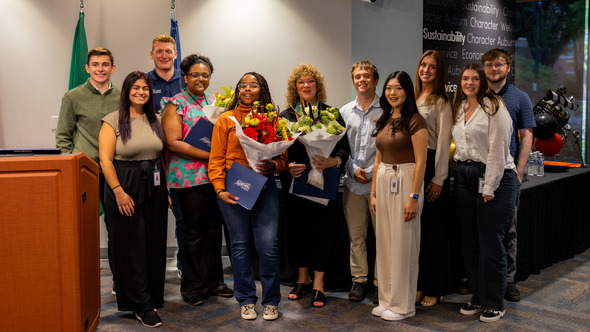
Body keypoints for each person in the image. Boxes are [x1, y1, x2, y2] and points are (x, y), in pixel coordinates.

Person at [209, 72, 286, 321]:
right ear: (238, 90)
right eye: (243, 85)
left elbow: (282, 157)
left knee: (268, 246)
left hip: (264, 187)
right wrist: (220, 189)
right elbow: (216, 159)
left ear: (262, 89)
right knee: (240, 246)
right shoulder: (225, 118)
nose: (248, 89)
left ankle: (272, 301)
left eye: (253, 85)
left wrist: (274, 167)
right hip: (234, 188)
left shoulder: (273, 118)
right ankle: (246, 300)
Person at [161, 54, 233, 306]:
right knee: (193, 233)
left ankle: (215, 282)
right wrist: (213, 154)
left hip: (215, 177)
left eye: (205, 74)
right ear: (185, 76)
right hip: (188, 179)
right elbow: (173, 143)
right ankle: (193, 286)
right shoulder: (175, 103)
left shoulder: (216, 103)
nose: (200, 78)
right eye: (195, 74)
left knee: (214, 231)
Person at [98, 71, 168, 328]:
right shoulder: (112, 121)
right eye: (136, 87)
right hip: (124, 183)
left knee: (154, 242)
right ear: (127, 91)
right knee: (131, 246)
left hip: (155, 183)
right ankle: (139, 304)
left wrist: (166, 189)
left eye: (145, 88)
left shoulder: (155, 119)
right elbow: (105, 160)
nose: (141, 92)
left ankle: (151, 296)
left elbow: (160, 155)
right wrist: (117, 191)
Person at [279, 63, 349, 308]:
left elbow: (344, 146)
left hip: (323, 183)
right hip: (295, 184)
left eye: (310, 81)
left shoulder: (331, 113)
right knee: (297, 232)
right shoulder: (286, 116)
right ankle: (302, 278)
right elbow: (278, 149)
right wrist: (286, 167)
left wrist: (334, 160)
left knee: (322, 232)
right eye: (301, 82)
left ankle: (318, 283)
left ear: (317, 86)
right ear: (294, 88)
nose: (306, 85)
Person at [452, 64, 517, 323]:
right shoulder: (459, 108)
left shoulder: (494, 106)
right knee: (470, 243)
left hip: (495, 180)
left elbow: (498, 150)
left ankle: (494, 302)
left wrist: (489, 187)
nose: (469, 83)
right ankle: (477, 297)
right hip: (465, 179)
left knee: (491, 244)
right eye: (465, 78)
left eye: (475, 78)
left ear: (482, 81)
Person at [56, 47, 120, 293]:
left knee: (117, 229)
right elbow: (63, 137)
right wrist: (74, 164)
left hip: (115, 171)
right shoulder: (72, 96)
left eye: (105, 64)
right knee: (83, 228)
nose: (100, 69)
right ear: (87, 68)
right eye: (95, 64)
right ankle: (80, 279)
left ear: (112, 68)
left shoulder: (123, 95)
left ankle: (118, 279)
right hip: (86, 172)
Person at [370, 71, 427, 321]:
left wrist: (413, 196)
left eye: (399, 89)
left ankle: (403, 305)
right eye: (389, 88)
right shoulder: (383, 119)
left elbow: (422, 162)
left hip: (406, 180)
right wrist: (372, 193)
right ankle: (386, 300)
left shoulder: (415, 120)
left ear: (407, 92)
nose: (393, 93)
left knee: (404, 243)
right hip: (382, 181)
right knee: (384, 243)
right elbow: (377, 159)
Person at [482, 48, 535, 302]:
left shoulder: (520, 98)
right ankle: (477, 278)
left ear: (508, 67)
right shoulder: (475, 95)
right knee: (479, 227)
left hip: (506, 174)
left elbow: (527, 135)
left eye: (498, 64)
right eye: (489, 65)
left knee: (507, 228)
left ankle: (508, 280)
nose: (494, 69)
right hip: (477, 173)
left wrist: (520, 171)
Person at [339, 61, 382, 304]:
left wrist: (373, 171)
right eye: (357, 76)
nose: (362, 79)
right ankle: (359, 280)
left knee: (382, 237)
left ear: (376, 80)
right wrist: (353, 169)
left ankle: (379, 283)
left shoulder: (386, 110)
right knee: (357, 237)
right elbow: (341, 147)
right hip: (353, 185)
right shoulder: (344, 112)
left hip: (380, 186)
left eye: (367, 76)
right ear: (353, 81)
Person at [413, 50, 453, 306]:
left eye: (433, 67)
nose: (426, 70)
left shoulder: (441, 101)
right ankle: (417, 284)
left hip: (432, 169)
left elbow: (444, 142)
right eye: (423, 65)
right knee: (415, 232)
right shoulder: (414, 96)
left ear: (440, 72)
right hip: (413, 167)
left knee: (433, 233)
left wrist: (439, 177)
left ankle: (434, 288)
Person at [147, 34, 186, 278]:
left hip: (182, 160)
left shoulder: (187, 81)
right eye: (159, 51)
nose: (164, 56)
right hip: (152, 159)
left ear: (175, 55)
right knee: (152, 218)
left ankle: (184, 265)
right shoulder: (143, 82)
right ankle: (151, 269)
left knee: (183, 218)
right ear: (151, 54)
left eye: (168, 51)